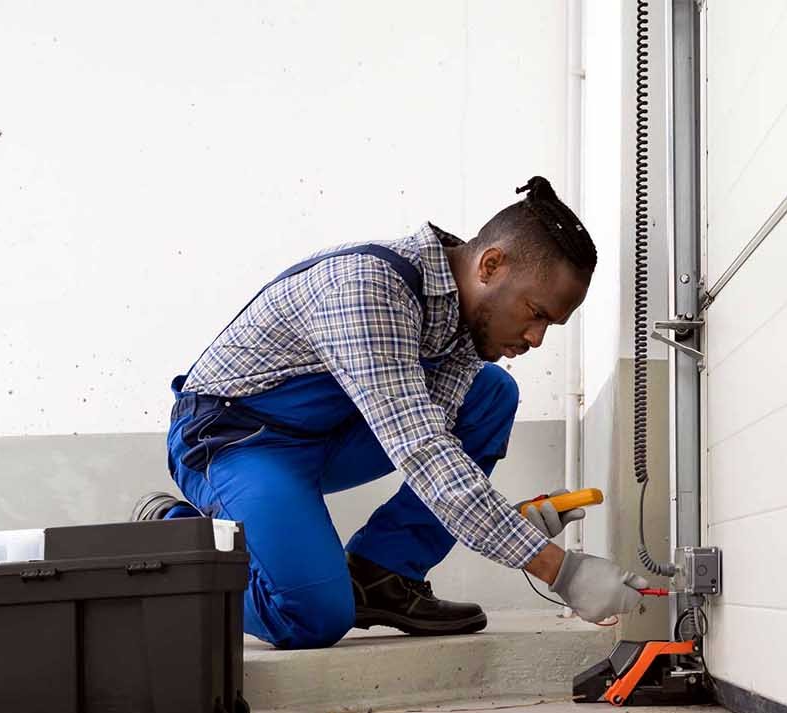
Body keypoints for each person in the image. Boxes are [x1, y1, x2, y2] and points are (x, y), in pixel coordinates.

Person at [135, 177, 646, 649]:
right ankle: (177, 538)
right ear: (491, 266)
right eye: (536, 314)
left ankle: (383, 574)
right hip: (238, 442)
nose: (536, 339)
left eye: (550, 326)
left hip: (329, 435)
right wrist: (562, 570)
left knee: (490, 393)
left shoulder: (466, 321)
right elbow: (423, 453)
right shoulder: (367, 288)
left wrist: (509, 523)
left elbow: (439, 444)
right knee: (312, 616)